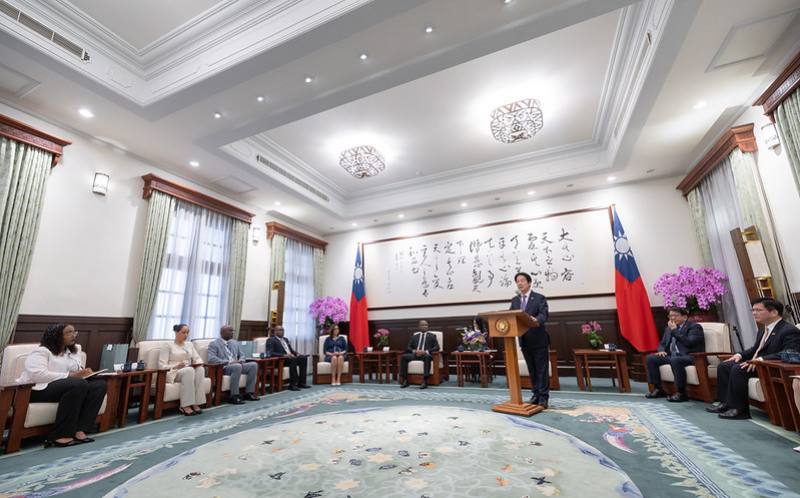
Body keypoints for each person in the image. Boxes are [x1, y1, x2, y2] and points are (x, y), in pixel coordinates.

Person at [707, 298, 800, 419]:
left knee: (738, 369)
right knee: (724, 366)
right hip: (757, 364)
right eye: (753, 310)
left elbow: (789, 353)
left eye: (758, 310)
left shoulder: (788, 330)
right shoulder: (762, 330)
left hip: (772, 367)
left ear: (774, 312)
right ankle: (725, 403)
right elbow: (755, 349)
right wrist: (739, 355)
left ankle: (740, 410)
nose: (754, 313)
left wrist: (761, 360)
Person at [16, 324, 107, 447]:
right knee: (77, 384)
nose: (73, 335)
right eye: (69, 332)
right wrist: (70, 375)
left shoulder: (72, 352)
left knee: (99, 385)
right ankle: (60, 435)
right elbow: (37, 374)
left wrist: (85, 373)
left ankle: (79, 429)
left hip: (65, 388)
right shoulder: (42, 351)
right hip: (37, 389)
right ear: (56, 335)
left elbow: (76, 372)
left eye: (75, 332)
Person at [645, 307, 705, 402]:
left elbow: (689, 342)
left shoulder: (694, 327)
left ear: (684, 317)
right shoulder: (669, 328)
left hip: (690, 356)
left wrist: (675, 331)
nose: (672, 318)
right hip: (673, 356)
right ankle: (658, 388)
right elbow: (662, 343)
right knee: (651, 358)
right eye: (670, 316)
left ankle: (681, 393)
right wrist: (661, 350)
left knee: (675, 360)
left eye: (675, 315)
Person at [509, 272, 550, 408]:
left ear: (529, 282)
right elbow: (510, 316)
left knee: (541, 369)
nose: (519, 283)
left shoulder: (539, 298)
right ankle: (535, 394)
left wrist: (536, 319)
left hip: (539, 339)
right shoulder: (515, 301)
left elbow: (544, 315)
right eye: (517, 281)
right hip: (524, 340)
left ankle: (544, 397)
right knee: (532, 369)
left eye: (522, 281)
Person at [160, 324, 206, 416]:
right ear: (176, 332)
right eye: (183, 332)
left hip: (188, 369)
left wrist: (198, 363)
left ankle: (196, 402)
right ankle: (185, 405)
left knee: (200, 369)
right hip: (174, 372)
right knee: (189, 370)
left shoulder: (189, 345)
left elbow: (198, 358)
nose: (186, 335)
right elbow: (161, 365)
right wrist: (177, 365)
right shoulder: (168, 345)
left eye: (187, 333)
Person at [207, 325, 259, 404]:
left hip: (237, 366)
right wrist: (229, 362)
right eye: (230, 331)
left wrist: (241, 360)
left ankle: (249, 393)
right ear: (222, 332)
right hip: (224, 368)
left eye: (233, 331)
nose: (232, 333)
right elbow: (211, 359)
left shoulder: (234, 342)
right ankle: (234, 395)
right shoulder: (214, 344)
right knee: (236, 366)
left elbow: (242, 355)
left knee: (253, 365)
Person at [266, 325, 311, 391]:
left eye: (283, 330)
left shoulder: (285, 339)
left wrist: (297, 354)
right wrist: (284, 355)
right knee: (293, 359)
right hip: (280, 360)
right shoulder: (271, 340)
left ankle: (302, 383)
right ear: (275, 331)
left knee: (303, 358)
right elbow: (270, 353)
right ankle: (293, 384)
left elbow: (291, 350)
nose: (282, 332)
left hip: (289, 358)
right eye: (280, 330)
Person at [400, 320, 440, 389]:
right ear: (419, 327)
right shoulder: (415, 336)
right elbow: (408, 347)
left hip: (425, 355)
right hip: (416, 354)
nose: (425, 326)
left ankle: (425, 381)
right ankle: (405, 380)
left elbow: (437, 347)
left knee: (427, 357)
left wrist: (425, 351)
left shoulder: (432, 336)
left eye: (426, 325)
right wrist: (415, 351)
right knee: (404, 357)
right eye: (423, 325)